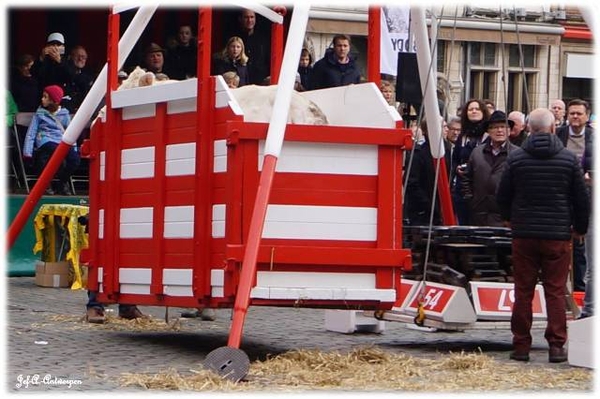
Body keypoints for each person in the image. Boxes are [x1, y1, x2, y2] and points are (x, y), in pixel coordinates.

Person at [496, 108, 590, 363]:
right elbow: (582, 199)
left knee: (523, 291)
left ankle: (521, 346)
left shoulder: (516, 159)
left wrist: (508, 218)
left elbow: (502, 194)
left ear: (528, 128)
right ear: (552, 128)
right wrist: (580, 229)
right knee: (556, 291)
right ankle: (557, 346)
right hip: (557, 234)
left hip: (524, 233)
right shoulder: (568, 159)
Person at [556, 99, 594, 292]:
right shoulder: (558, 135)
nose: (575, 117)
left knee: (580, 242)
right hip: (561, 195)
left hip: (585, 195)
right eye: (572, 113)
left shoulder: (593, 138)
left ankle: (579, 288)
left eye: (579, 113)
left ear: (587, 116)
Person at [461, 110, 518, 227]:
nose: (499, 130)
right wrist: (471, 200)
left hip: (505, 218)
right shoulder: (477, 152)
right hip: (479, 215)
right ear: (488, 131)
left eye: (503, 127)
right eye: (495, 127)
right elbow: (467, 178)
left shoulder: (517, 154)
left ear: (509, 130)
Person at [22, 85, 80, 195]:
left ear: (54, 101)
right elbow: (31, 133)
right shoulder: (39, 114)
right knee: (50, 152)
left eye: (45, 97)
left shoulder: (65, 114)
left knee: (74, 159)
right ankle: (46, 184)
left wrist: (74, 148)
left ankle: (62, 182)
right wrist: (27, 152)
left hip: (61, 140)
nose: (42, 99)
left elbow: (71, 131)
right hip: (45, 139)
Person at [404, 117, 451, 226]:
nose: (447, 130)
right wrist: (430, 206)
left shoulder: (446, 152)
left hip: (442, 210)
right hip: (423, 212)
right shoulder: (418, 154)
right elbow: (411, 183)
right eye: (443, 127)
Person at [451, 99, 491, 225]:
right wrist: (457, 168)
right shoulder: (463, 136)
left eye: (477, 109)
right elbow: (455, 158)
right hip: (462, 187)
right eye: (470, 109)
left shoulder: (488, 136)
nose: (474, 111)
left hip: (481, 187)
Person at [231, 8, 270, 85]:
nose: (249, 20)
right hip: (240, 83)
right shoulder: (234, 39)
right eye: (246, 17)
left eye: (252, 17)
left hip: (261, 83)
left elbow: (268, 60)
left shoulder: (263, 40)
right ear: (240, 19)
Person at [63, 45, 95, 114]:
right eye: (77, 56)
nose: (80, 59)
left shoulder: (88, 75)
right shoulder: (62, 71)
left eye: (83, 57)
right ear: (70, 57)